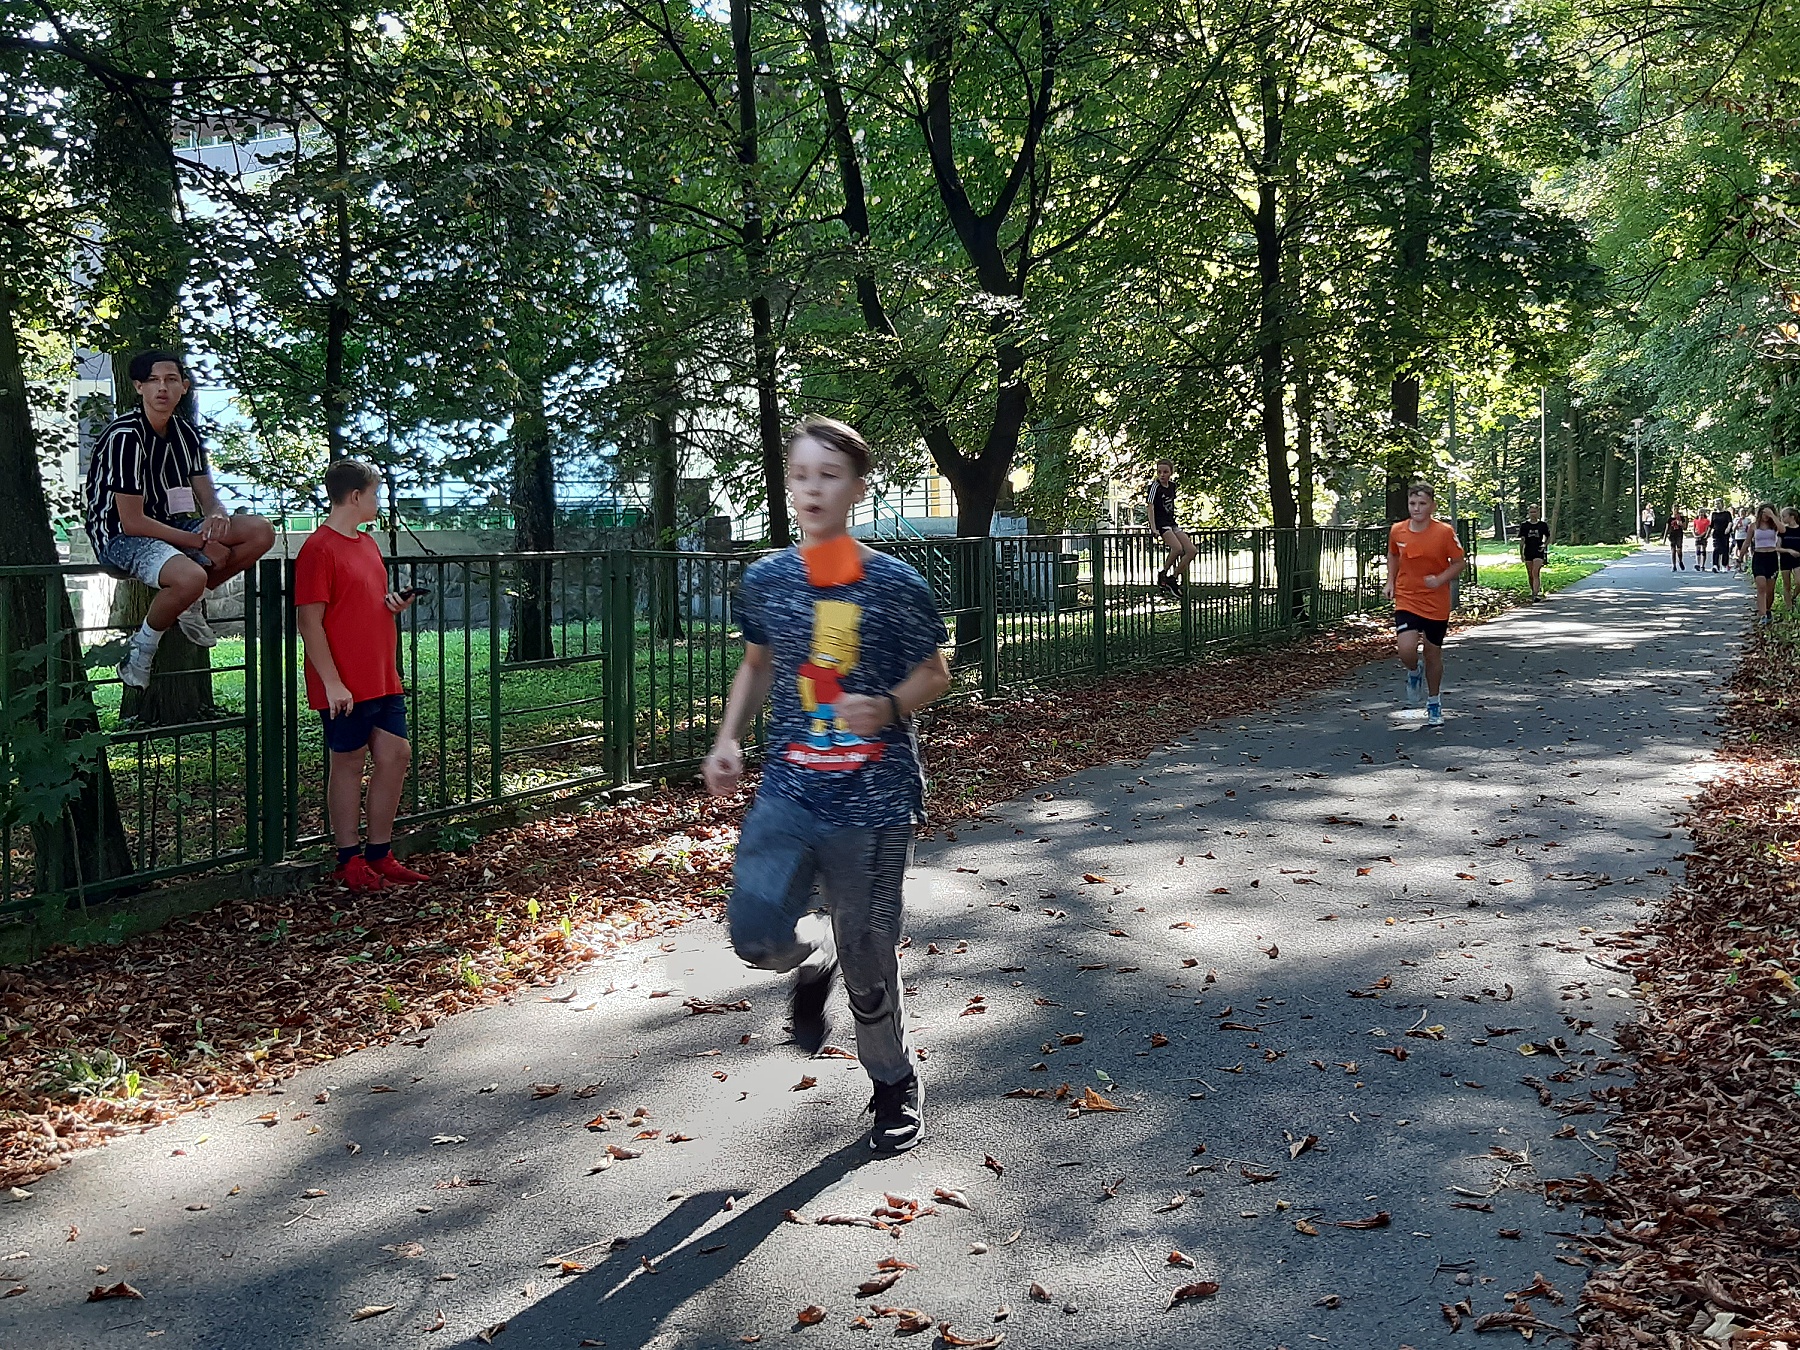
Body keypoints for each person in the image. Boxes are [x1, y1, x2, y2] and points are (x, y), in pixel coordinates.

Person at [703, 417, 952, 1153]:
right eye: (801, 475)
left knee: (869, 956)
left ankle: (893, 1083)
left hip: (873, 802)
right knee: (755, 933)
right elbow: (757, 665)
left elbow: (935, 672)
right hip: (790, 790)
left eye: (830, 475)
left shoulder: (895, 584)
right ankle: (811, 961)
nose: (812, 489)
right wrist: (727, 739)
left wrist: (888, 706)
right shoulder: (768, 579)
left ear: (858, 489)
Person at [83, 350, 276, 688]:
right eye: (153, 380)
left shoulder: (185, 433)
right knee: (189, 577)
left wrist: (216, 514)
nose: (163, 388)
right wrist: (202, 543)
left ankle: (191, 599)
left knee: (260, 531)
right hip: (120, 536)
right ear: (139, 387)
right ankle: (141, 650)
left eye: (171, 380)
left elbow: (207, 495)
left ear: (184, 387)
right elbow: (133, 523)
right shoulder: (125, 437)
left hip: (172, 526)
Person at [294, 459, 430, 893]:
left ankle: (379, 853)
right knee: (348, 763)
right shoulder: (319, 549)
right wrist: (332, 682)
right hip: (345, 680)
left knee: (396, 755)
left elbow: (361, 600)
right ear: (355, 496)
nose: (378, 502)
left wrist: (392, 604)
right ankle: (348, 859)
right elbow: (309, 622)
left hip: (381, 674)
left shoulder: (367, 544)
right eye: (374, 494)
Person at [1384, 481, 1467, 729]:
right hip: (1407, 597)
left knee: (1432, 654)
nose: (1416, 508)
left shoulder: (1444, 532)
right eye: (1412, 503)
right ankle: (1413, 671)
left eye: (1422, 503)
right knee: (1405, 649)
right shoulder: (1398, 530)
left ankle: (1434, 702)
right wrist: (1390, 582)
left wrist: (1440, 580)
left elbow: (1459, 562)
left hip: (1435, 602)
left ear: (1432, 506)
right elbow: (1393, 554)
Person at [1146, 459, 1197, 598]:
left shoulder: (1172, 486)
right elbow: (1150, 507)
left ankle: (1173, 578)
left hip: (1172, 522)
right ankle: (1163, 574)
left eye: (1165, 472)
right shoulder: (1154, 487)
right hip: (1161, 523)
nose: (1162, 475)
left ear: (1171, 473)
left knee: (1192, 550)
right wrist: (1153, 528)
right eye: (1159, 472)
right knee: (1177, 548)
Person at [1748, 502, 1787, 626]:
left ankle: (1768, 610)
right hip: (1759, 557)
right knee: (1761, 587)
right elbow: (1747, 542)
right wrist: (1740, 557)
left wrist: (1773, 516)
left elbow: (1783, 530)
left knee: (1770, 590)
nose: (1766, 516)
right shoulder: (1754, 526)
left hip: (1771, 557)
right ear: (1760, 513)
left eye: (1768, 513)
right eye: (1764, 513)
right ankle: (1762, 615)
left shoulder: (1774, 525)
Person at [1517, 504, 1550, 602]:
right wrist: (1521, 553)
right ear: (1529, 513)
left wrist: (1544, 545)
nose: (1533, 514)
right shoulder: (1524, 525)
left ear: (1538, 512)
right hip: (1528, 551)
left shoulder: (1542, 525)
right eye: (1531, 512)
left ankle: (1536, 594)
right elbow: (1522, 540)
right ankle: (1533, 591)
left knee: (1535, 572)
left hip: (1538, 551)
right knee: (1530, 574)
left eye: (1534, 512)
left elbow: (1548, 537)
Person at [1781, 507, 1800, 614]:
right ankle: (1789, 609)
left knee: (1799, 581)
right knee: (1786, 585)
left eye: (1784, 516)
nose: (1782, 518)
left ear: (1792, 517)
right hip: (1785, 559)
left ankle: (1794, 596)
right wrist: (1788, 550)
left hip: (1798, 559)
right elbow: (1777, 547)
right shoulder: (1783, 531)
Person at [1710, 503, 1733, 572]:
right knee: (1716, 549)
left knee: (1725, 549)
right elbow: (1711, 524)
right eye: (1715, 504)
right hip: (1716, 533)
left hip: (1725, 533)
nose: (1716, 505)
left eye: (1718, 503)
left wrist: (1728, 528)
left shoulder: (1727, 513)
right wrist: (1707, 533)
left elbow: (1730, 522)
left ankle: (1724, 565)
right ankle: (1715, 565)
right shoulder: (1714, 514)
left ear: (1722, 504)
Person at [1665, 505, 1687, 570]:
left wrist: (1680, 524)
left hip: (1679, 534)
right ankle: (1674, 565)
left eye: (1677, 509)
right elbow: (1667, 528)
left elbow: (1684, 527)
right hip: (1672, 535)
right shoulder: (1670, 519)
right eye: (1674, 509)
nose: (1676, 510)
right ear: (1672, 510)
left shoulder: (1681, 518)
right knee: (1673, 550)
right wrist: (1664, 537)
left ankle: (1680, 561)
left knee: (1679, 549)